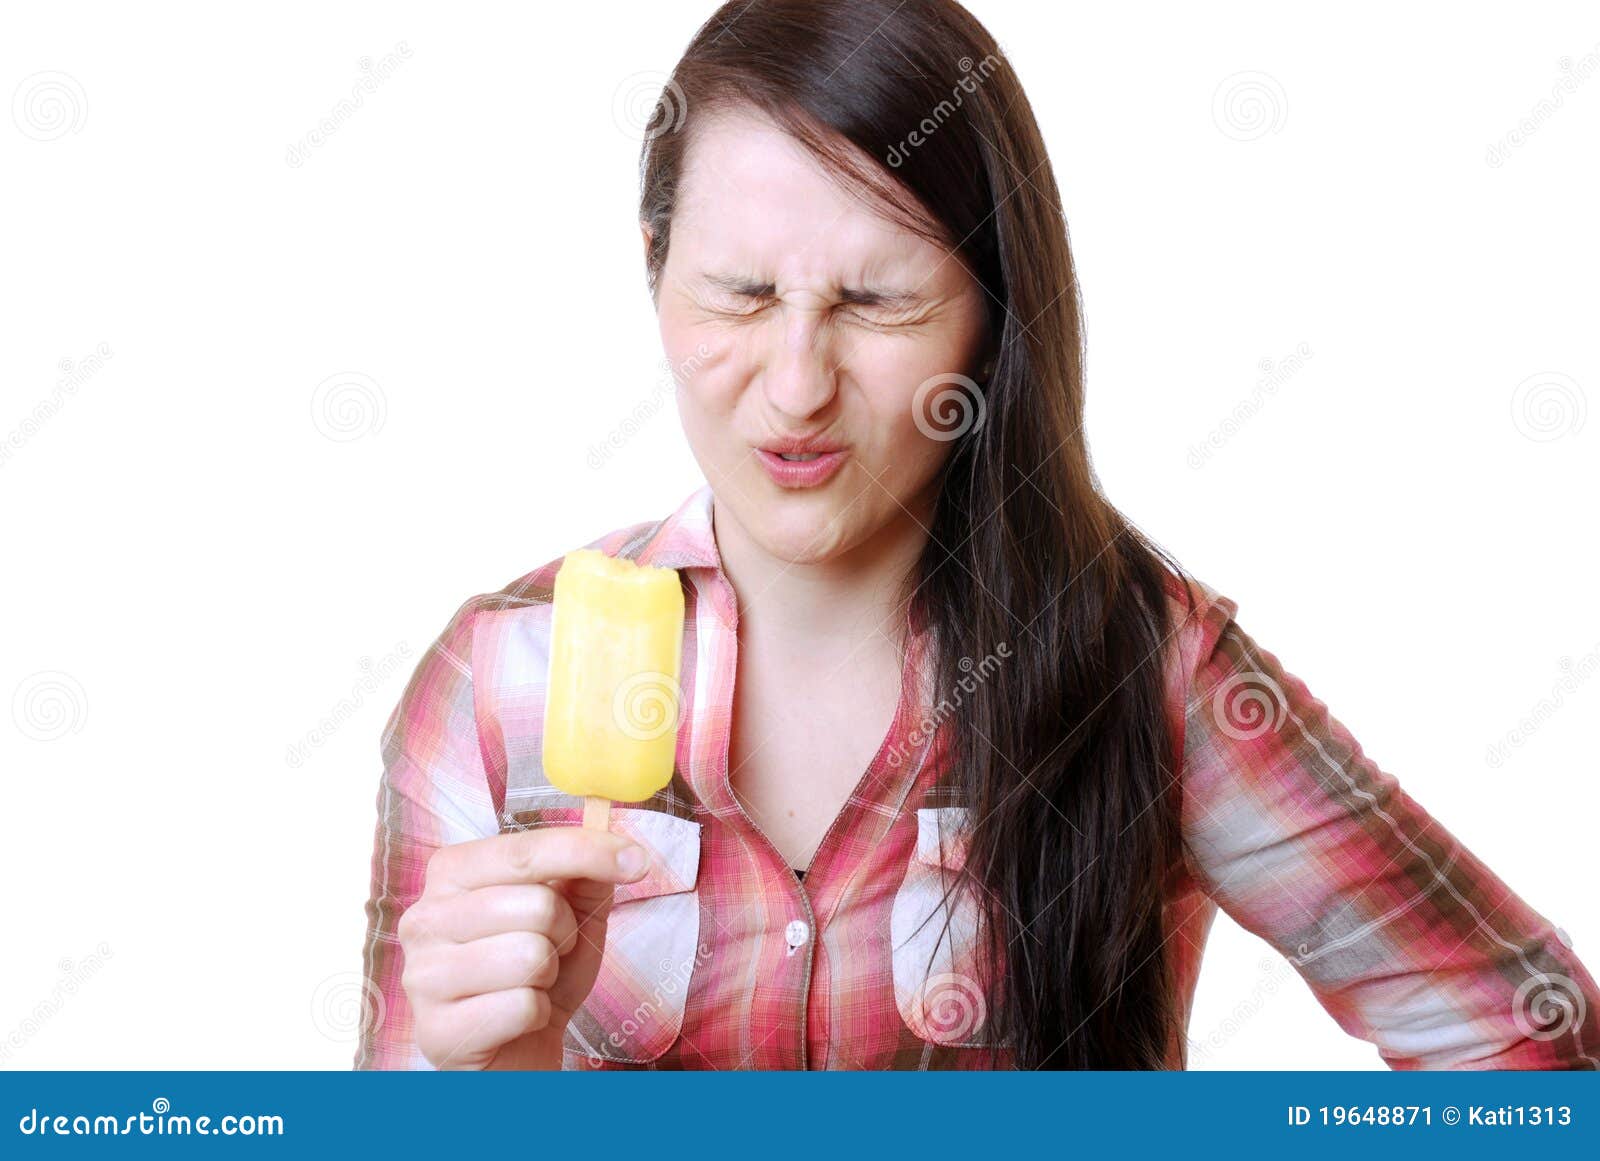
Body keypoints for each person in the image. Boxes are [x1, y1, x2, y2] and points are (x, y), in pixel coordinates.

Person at [354, 0, 1599, 1070]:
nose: (794, 388)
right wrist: (493, 1092)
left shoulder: (1148, 666)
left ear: (990, 320)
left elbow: (1526, 1039)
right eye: (736, 294)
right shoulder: (498, 681)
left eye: (877, 301)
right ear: (655, 272)